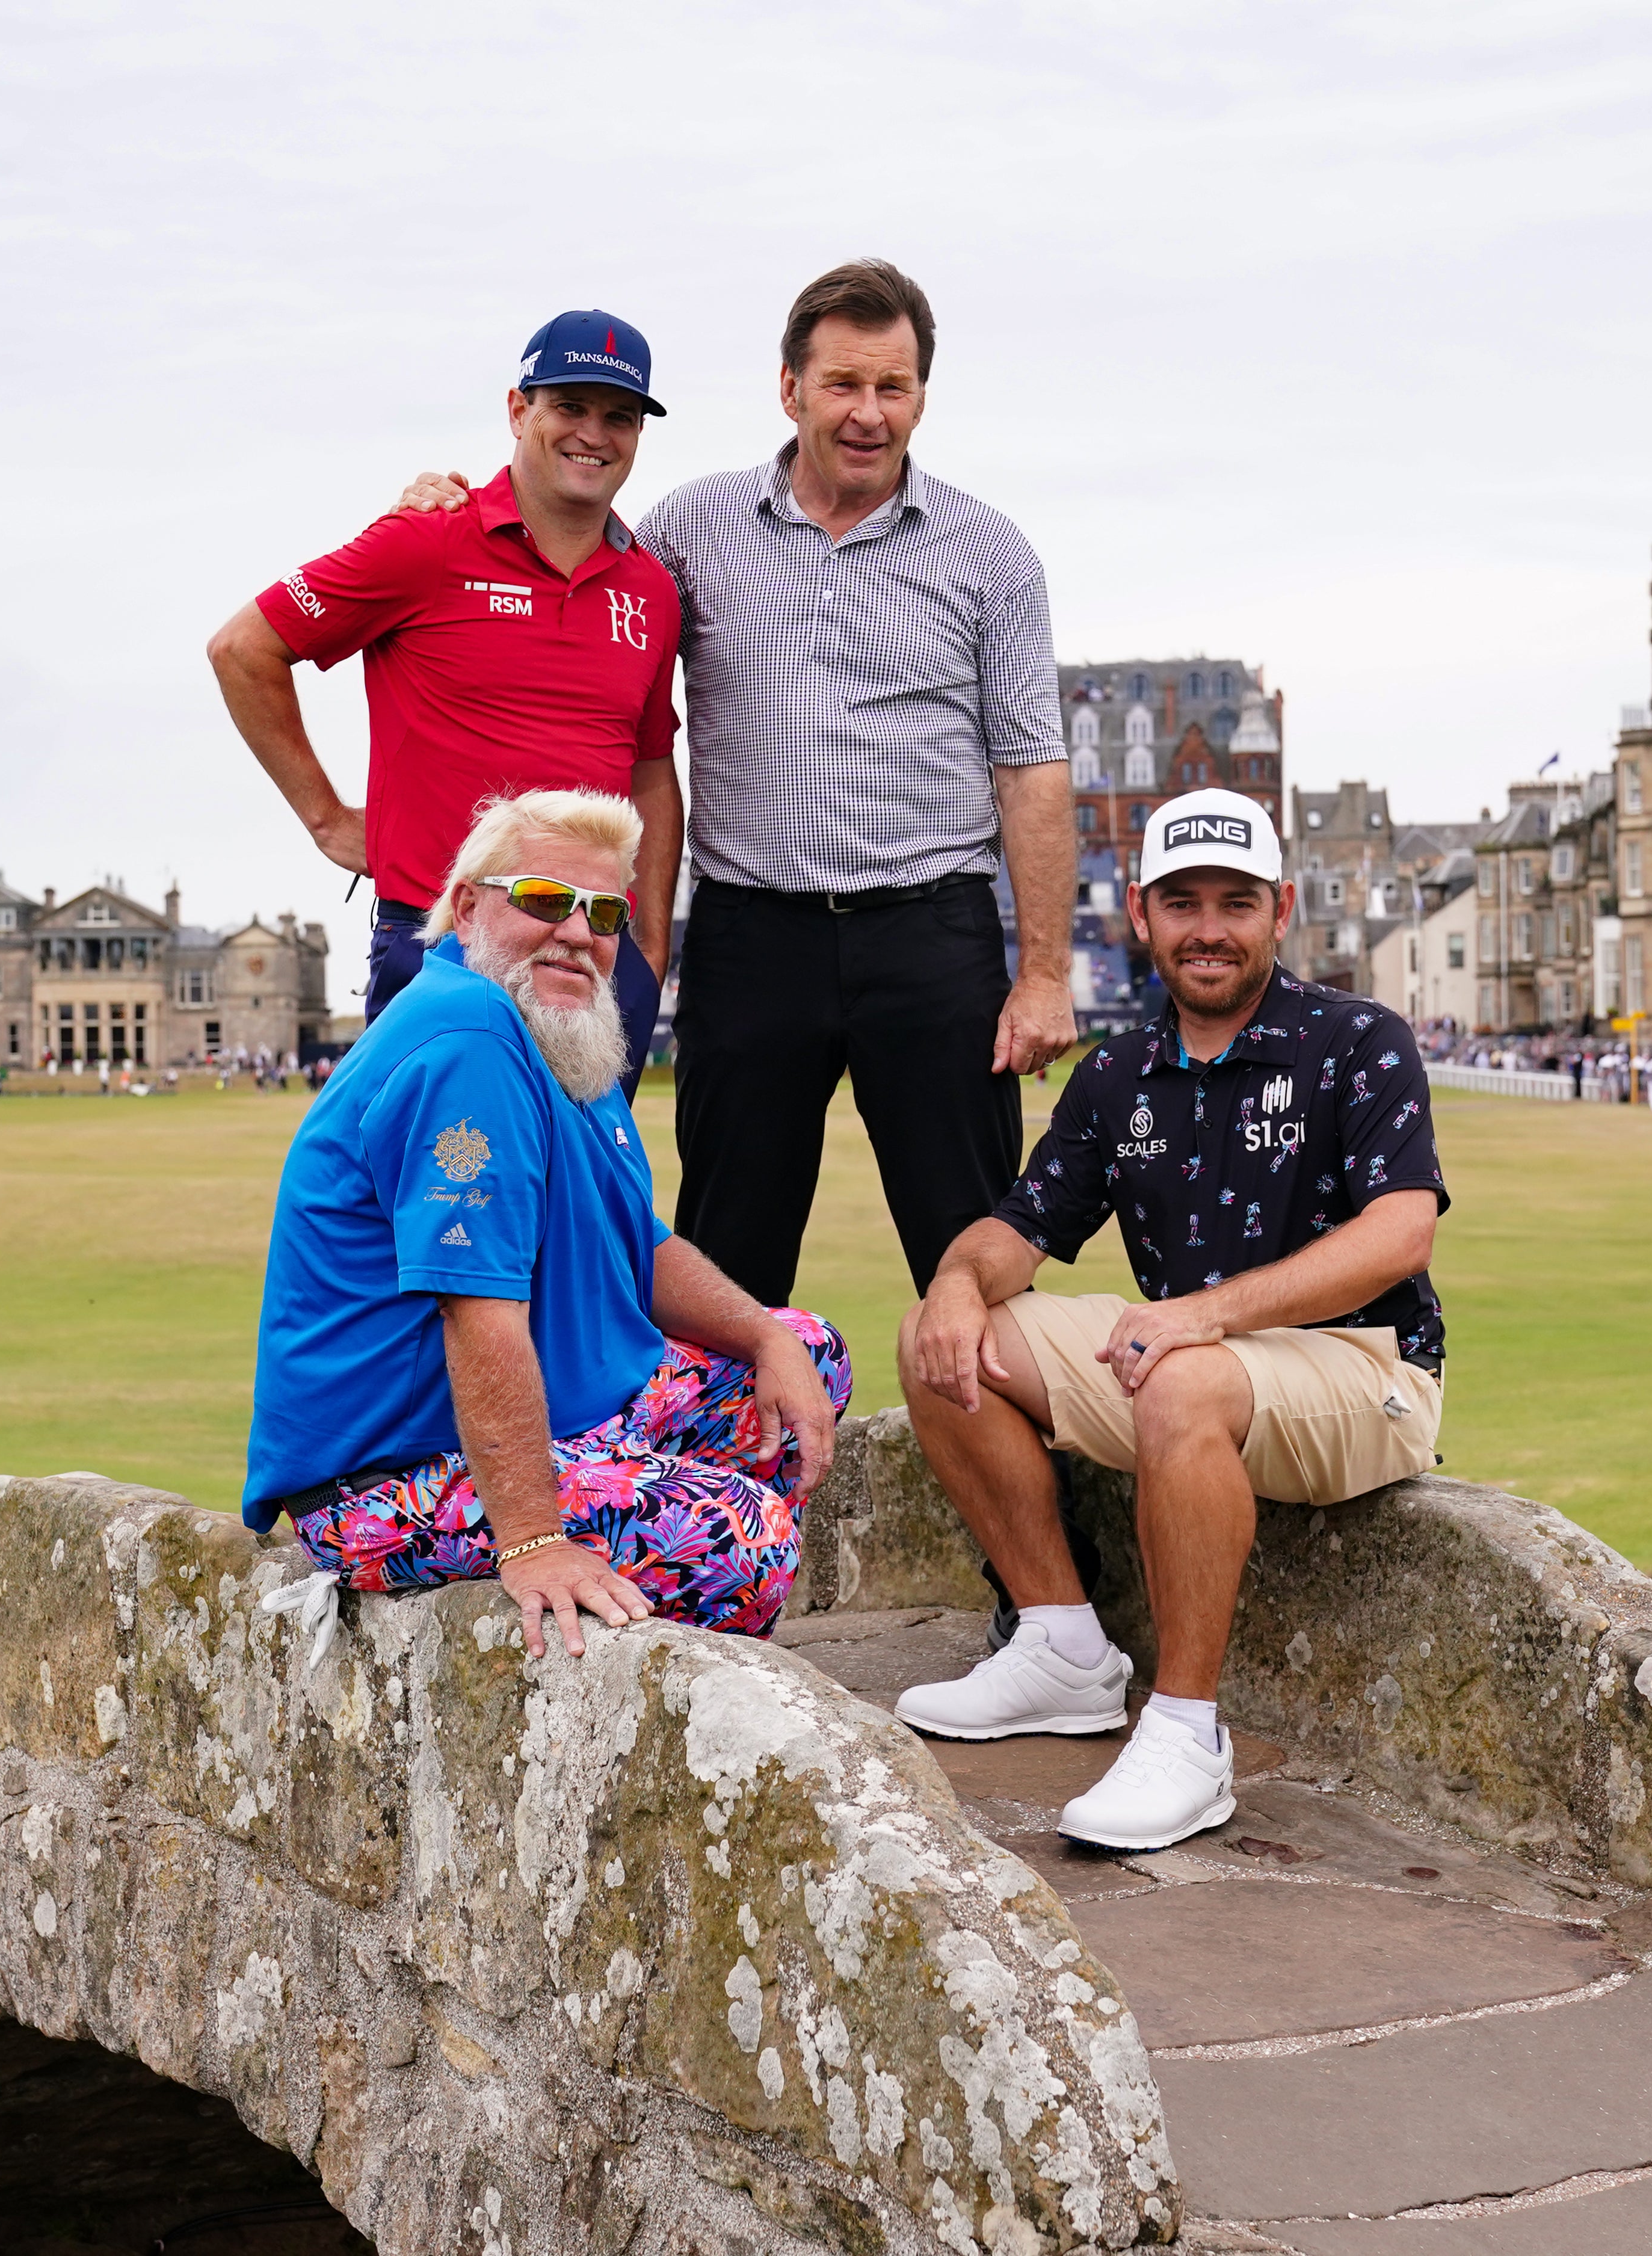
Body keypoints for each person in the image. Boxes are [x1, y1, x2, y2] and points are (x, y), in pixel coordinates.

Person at [394, 259, 1073, 1306]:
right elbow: (557, 537)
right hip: (752, 938)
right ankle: (712, 1470)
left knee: (973, 1253)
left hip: (931, 937)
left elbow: (1031, 767)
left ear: (922, 397)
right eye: (842, 383)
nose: (867, 413)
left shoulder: (992, 554)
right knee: (726, 1254)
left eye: (893, 388)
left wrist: (1043, 973)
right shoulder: (688, 528)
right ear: (790, 388)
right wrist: (443, 504)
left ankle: (996, 1471)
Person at [889, 791, 1445, 1850]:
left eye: (1235, 903)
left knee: (1181, 1373)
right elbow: (1019, 1229)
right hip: (1198, 1357)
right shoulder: (1116, 1074)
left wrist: (1203, 1315)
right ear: (1138, 915)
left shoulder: (1355, 1039)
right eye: (1181, 902)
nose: (1208, 929)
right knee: (944, 1334)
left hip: (1366, 1367)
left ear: (1280, 909)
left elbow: (1398, 1235)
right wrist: (960, 1284)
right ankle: (1061, 1644)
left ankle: (1186, 1735)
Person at [239, 789, 848, 1658]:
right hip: (390, 1473)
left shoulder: (560, 1020)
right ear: (466, 905)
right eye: (542, 899)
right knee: (743, 1543)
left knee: (805, 1352)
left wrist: (761, 1335)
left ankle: (630, 1513)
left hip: (548, 1412)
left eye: (602, 911)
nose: (575, 931)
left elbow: (637, 1243)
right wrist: (532, 1540)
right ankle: (606, 1574)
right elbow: (476, 1313)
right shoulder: (468, 1040)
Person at [209, 310, 685, 1091]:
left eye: (619, 417)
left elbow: (650, 768)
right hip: (443, 946)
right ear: (517, 410)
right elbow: (243, 649)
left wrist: (649, 943)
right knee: (442, 1203)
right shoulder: (425, 540)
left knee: (581, 1207)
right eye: (569, 407)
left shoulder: (650, 591)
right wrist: (328, 819)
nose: (593, 435)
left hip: (588, 961)